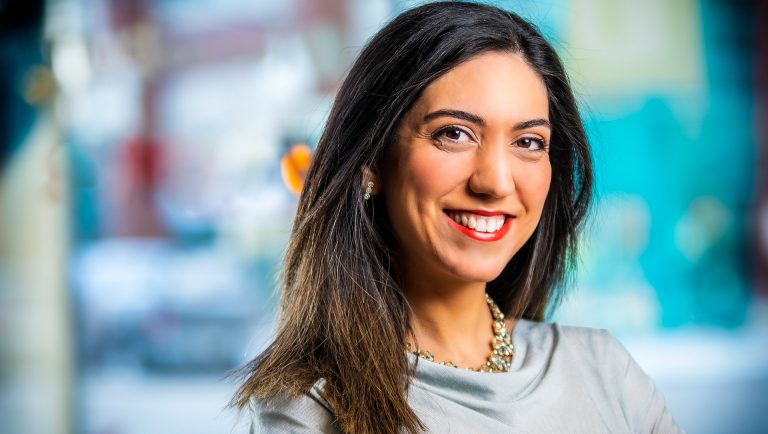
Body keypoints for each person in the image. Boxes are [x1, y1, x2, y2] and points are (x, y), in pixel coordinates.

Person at [232, 2, 685, 433]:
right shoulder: (309, 409)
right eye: (454, 133)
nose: (496, 183)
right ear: (372, 159)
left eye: (528, 142)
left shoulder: (605, 370)